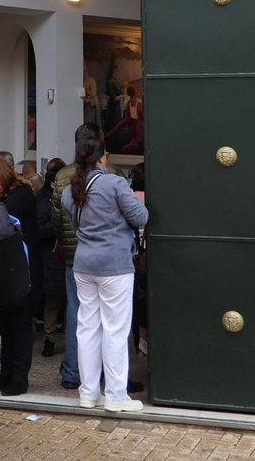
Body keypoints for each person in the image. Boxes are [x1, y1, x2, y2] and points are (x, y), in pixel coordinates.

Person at [61, 137, 148, 412]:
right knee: (115, 330)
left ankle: (88, 393)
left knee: (87, 328)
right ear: (101, 158)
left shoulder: (69, 191)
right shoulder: (114, 183)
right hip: (114, 264)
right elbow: (141, 217)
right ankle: (115, 395)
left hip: (83, 263)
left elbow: (75, 225)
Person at [0, 157, 41, 397]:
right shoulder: (7, 196)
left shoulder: (22, 194)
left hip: (23, 269)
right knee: (7, 325)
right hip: (9, 268)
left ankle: (19, 378)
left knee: (21, 325)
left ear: (4, 177)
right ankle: (6, 374)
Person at [49, 123, 101, 390]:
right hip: (103, 256)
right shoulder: (109, 174)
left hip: (73, 254)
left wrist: (67, 242)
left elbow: (57, 220)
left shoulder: (62, 176)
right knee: (106, 318)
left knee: (75, 314)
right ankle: (103, 374)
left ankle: (71, 371)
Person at [36, 159, 66, 358]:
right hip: (53, 257)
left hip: (64, 255)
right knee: (53, 302)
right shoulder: (43, 205)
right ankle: (49, 340)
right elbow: (40, 231)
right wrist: (58, 222)